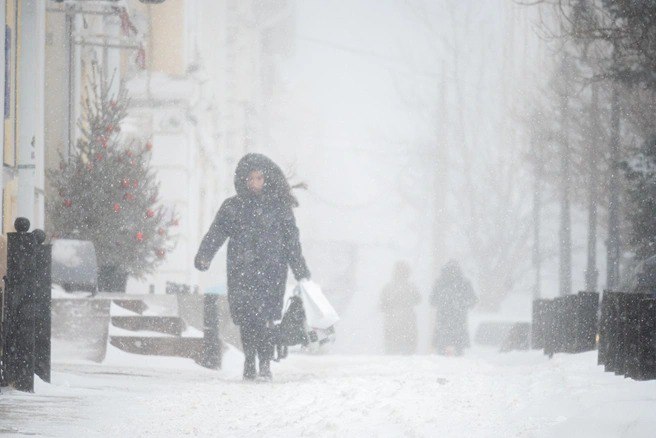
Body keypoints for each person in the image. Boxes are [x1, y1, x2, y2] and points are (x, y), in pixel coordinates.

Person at [194, 153, 311, 381]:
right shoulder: (233, 207)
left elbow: (291, 241)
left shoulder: (279, 208)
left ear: (266, 179)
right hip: (241, 271)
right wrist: (204, 255)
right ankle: (249, 360)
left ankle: (265, 364)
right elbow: (216, 232)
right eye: (251, 179)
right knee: (247, 319)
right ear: (243, 180)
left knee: (266, 320)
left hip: (272, 272)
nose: (255, 183)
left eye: (259, 178)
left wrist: (300, 270)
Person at [431, 260, 477, 356]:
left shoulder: (440, 282)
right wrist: (462, 304)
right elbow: (473, 300)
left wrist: (443, 303)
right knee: (459, 351)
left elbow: (432, 300)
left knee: (441, 350)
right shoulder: (464, 282)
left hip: (443, 320)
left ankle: (439, 366)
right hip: (459, 321)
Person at [379, 261, 421, 354]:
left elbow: (383, 305)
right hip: (408, 321)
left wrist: (390, 307)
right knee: (408, 350)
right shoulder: (411, 287)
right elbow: (418, 299)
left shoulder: (388, 287)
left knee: (392, 350)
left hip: (393, 322)